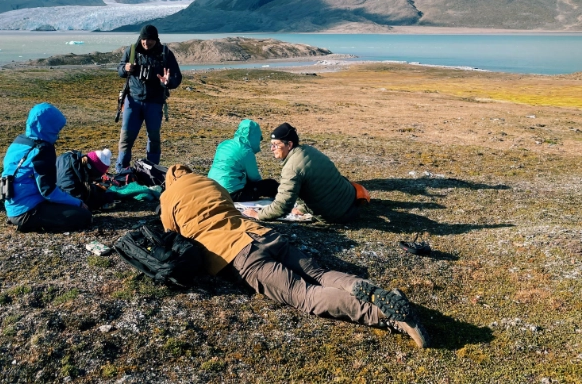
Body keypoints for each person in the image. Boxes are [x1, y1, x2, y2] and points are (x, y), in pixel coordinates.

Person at [160, 165, 428, 348]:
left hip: (238, 253)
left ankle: (385, 314)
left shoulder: (168, 196)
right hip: (261, 233)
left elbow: (171, 235)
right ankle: (375, 292)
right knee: (319, 274)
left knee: (304, 294)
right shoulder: (210, 182)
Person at [243, 123, 369, 223]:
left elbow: (282, 206)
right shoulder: (309, 150)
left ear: (289, 144)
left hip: (337, 215)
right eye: (271, 145)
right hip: (350, 199)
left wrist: (258, 215)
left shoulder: (292, 167)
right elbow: (319, 186)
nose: (272, 149)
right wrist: (304, 208)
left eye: (276, 145)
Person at [2, 103, 92, 233]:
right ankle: (33, 223)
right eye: (56, 129)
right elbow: (48, 192)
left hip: (12, 206)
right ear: (49, 127)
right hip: (28, 211)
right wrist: (78, 203)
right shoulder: (43, 150)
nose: (58, 134)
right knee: (84, 216)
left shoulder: (19, 141)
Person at [115, 24, 182, 172]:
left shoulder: (165, 53)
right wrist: (124, 69)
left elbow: (177, 77)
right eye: (144, 39)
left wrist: (167, 82)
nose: (146, 42)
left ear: (156, 39)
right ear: (140, 38)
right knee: (126, 138)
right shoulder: (132, 51)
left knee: (153, 138)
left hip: (154, 102)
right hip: (133, 101)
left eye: (150, 39)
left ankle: (152, 171)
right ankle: (121, 171)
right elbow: (119, 69)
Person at [207, 119, 279, 201]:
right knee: (271, 185)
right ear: (254, 137)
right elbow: (254, 178)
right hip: (232, 193)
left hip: (213, 188)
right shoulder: (246, 152)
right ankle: (284, 201)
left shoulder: (224, 144)